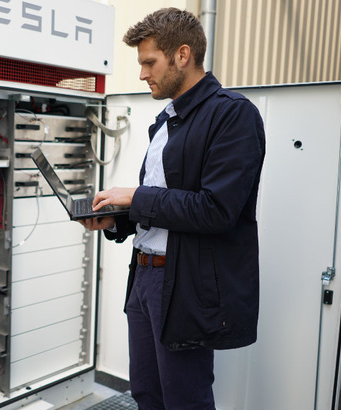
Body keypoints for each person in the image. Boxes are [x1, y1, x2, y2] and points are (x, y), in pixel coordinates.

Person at [79, 8, 266, 409]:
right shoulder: (167, 121)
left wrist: (135, 197)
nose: (143, 73)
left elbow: (216, 210)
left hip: (182, 286)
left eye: (149, 62)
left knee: (185, 399)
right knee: (147, 394)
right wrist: (119, 218)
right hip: (145, 279)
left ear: (183, 55)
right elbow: (168, 203)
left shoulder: (233, 114)